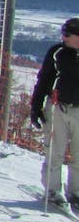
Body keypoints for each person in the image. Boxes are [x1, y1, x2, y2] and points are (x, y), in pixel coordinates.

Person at [29, 17, 79, 210]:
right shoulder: (57, 52)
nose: (63, 38)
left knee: (78, 154)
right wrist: (36, 107)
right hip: (58, 107)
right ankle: (52, 190)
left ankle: (75, 192)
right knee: (55, 151)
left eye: (68, 34)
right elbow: (44, 79)